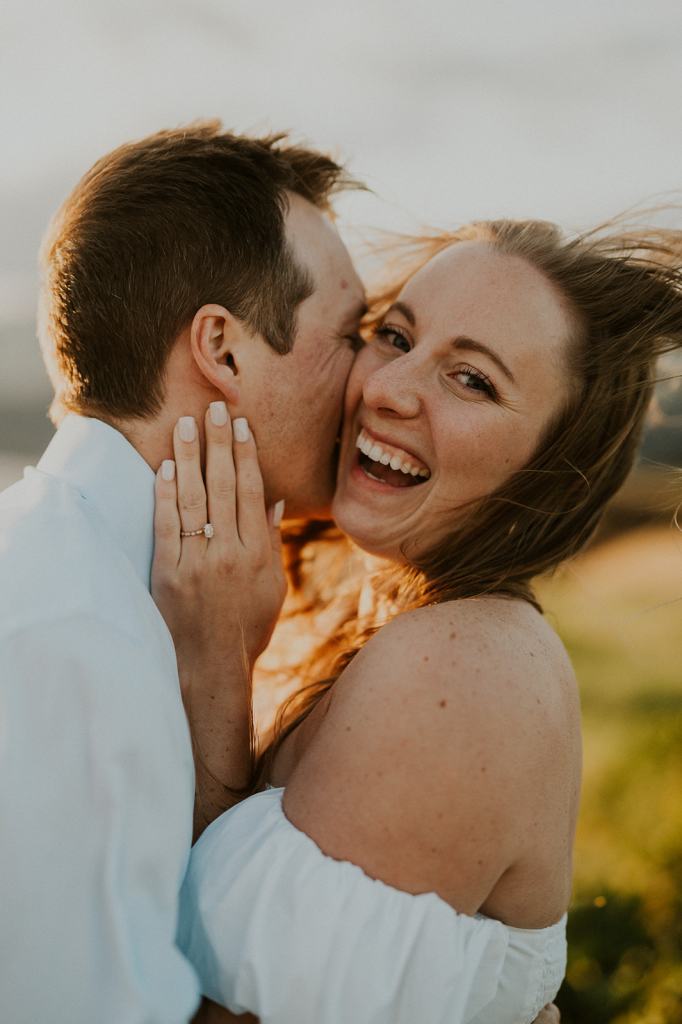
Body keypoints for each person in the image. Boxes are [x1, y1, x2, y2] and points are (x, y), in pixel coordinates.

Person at [151, 217, 682, 1022]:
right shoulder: (374, 619)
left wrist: (212, 668)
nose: (388, 389)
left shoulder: (462, 668)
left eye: (473, 381)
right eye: (395, 336)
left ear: (552, 474)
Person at [0, 122, 366, 1023]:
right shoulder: (74, 640)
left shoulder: (84, 578)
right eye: (352, 332)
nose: (376, 381)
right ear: (224, 349)